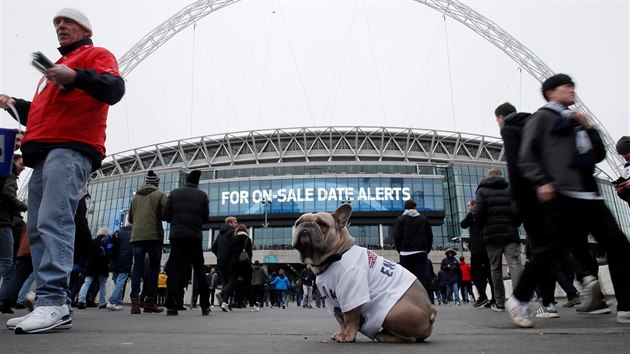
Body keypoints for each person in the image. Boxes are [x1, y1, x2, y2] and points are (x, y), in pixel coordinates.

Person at [1, 7, 125, 333]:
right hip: (44, 153)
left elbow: (114, 88)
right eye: (56, 22)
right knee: (40, 228)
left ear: (84, 27)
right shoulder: (51, 74)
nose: (60, 26)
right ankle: (48, 302)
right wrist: (13, 103)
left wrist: (76, 76)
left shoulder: (94, 55)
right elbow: (43, 115)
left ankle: (54, 300)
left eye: (66, 21)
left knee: (54, 221)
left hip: (69, 149)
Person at [508, 73, 630, 327]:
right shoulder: (542, 118)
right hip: (561, 195)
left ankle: (626, 305)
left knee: (618, 245)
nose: (572, 91)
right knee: (548, 250)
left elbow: (596, 155)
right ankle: (518, 300)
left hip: (589, 195)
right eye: (566, 87)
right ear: (551, 92)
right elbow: (527, 155)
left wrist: (589, 128)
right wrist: (542, 181)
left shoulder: (575, 121)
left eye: (573, 87)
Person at [495, 102, 561, 318]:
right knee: (551, 249)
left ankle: (520, 299)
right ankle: (557, 297)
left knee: (541, 251)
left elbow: (515, 164)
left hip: (529, 197)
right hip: (550, 191)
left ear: (500, 117)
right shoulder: (535, 122)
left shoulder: (508, 128)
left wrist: (517, 199)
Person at [473, 168, 523, 312]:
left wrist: (484, 228)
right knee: (514, 264)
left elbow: (477, 213)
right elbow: (518, 211)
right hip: (510, 233)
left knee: (495, 268)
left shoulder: (482, 191)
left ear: (486, 177)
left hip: (491, 235)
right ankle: (519, 299)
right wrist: (514, 224)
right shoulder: (510, 189)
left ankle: (500, 302)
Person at [162, 170, 211, 316]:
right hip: (195, 236)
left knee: (174, 268)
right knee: (200, 270)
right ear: (197, 182)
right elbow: (206, 218)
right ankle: (205, 306)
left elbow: (165, 215)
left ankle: (171, 305)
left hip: (177, 235)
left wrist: (176, 220)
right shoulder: (202, 195)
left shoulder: (175, 193)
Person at [129, 170, 166, 314]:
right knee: (154, 268)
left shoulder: (136, 197)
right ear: (156, 183)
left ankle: (135, 303)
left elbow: (131, 219)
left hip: (137, 236)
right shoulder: (160, 195)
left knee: (137, 268)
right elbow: (164, 214)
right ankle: (150, 301)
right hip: (153, 236)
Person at [460, 199, 495, 308]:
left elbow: (463, 224)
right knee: (490, 274)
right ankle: (495, 299)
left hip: (477, 249)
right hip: (488, 247)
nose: (468, 207)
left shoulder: (473, 215)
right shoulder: (487, 214)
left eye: (469, 205)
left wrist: (471, 213)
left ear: (474, 205)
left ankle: (483, 296)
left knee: (475, 273)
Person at [393, 199, 433, 291]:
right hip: (421, 252)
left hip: (405, 253)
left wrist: (400, 249)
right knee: (420, 278)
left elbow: (397, 236)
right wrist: (426, 249)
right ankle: (420, 300)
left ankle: (409, 300)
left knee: (406, 279)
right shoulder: (423, 219)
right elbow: (429, 236)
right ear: (415, 207)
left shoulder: (400, 219)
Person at [0, 155, 28, 284]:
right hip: (3, 221)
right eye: (21, 164)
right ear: (13, 162)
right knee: (6, 262)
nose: (23, 168)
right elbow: (8, 195)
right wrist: (23, 206)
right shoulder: (10, 175)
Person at [218, 224, 257, 312]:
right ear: (245, 230)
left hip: (233, 263)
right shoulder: (247, 239)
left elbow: (229, 252)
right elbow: (249, 254)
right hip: (244, 264)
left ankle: (224, 303)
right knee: (248, 285)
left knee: (231, 283)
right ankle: (252, 306)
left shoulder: (233, 239)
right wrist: (250, 262)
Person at [77, 227, 111, 309]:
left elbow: (87, 253)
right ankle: (102, 303)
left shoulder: (92, 241)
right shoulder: (107, 242)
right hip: (103, 265)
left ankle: (81, 300)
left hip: (91, 265)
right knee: (103, 284)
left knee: (87, 282)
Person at [106, 224, 133, 311]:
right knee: (120, 282)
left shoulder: (117, 232)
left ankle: (119, 302)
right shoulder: (132, 234)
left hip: (114, 261)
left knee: (117, 282)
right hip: (125, 261)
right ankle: (112, 301)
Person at [614, 136, 630, 207]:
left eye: (626, 152)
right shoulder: (627, 169)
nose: (625, 157)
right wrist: (621, 191)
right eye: (623, 154)